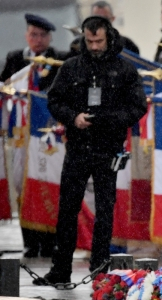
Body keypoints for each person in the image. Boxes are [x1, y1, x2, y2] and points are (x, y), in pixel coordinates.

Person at [35, 16, 146, 285]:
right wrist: (73, 117)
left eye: (99, 41)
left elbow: (138, 106)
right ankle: (60, 269)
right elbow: (55, 99)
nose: (94, 46)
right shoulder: (72, 68)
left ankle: (100, 271)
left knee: (105, 211)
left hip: (108, 148)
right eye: (89, 41)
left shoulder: (124, 70)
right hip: (78, 146)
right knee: (67, 209)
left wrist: (111, 119)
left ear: (108, 37)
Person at [1, 14, 65, 259]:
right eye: (33, 35)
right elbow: (6, 86)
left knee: (49, 183)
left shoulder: (58, 59)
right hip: (21, 135)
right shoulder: (16, 58)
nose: (38, 40)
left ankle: (51, 241)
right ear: (27, 36)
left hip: (48, 134)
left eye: (43, 36)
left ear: (49, 38)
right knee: (23, 186)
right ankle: (30, 241)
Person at [67, 1, 139, 57]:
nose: (100, 22)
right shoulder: (78, 44)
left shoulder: (128, 44)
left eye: (105, 19)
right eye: (96, 18)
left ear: (113, 19)